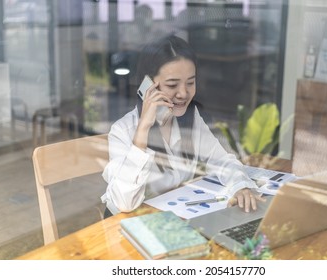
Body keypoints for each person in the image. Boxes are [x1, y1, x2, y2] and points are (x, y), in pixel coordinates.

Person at [101, 35, 264, 218]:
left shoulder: (190, 118)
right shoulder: (123, 131)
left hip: (174, 217)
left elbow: (222, 161)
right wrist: (143, 130)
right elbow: (124, 203)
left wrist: (240, 186)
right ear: (148, 86)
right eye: (172, 84)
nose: (183, 93)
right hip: (129, 224)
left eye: (190, 83)